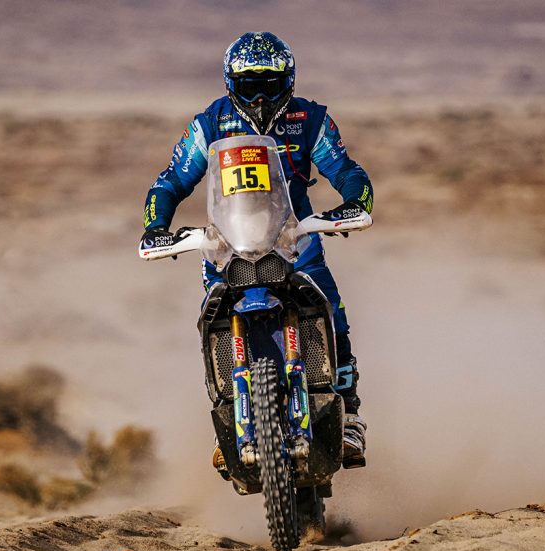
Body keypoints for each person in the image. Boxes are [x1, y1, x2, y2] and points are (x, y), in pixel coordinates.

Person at [141, 31, 372, 470]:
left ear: (289, 81)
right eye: (250, 85)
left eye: (271, 84)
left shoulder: (310, 119)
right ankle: (229, 419)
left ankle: (349, 417)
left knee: (333, 313)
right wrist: (156, 227)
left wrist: (355, 202)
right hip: (227, 247)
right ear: (232, 84)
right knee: (212, 321)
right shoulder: (210, 123)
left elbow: (345, 169)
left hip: (294, 240)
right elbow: (171, 181)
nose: (261, 96)